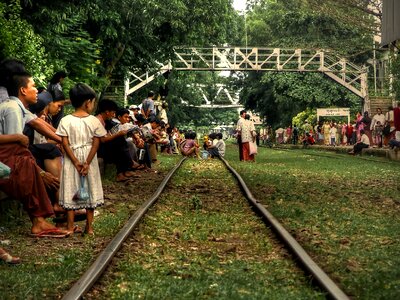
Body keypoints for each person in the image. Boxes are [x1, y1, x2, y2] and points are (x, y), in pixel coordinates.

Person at [0, 67, 67, 237]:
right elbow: (14, 147)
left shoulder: (18, 107)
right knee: (27, 166)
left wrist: (63, 140)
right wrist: (41, 172)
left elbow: (39, 124)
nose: (37, 90)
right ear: (23, 90)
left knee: (29, 163)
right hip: (6, 155)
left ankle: (40, 220)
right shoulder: (12, 108)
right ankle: (39, 220)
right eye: (33, 86)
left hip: (11, 154)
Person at [56, 83, 107, 235]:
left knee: (71, 188)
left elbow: (64, 143)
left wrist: (76, 161)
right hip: (89, 159)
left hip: (72, 160)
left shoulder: (65, 120)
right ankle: (89, 228)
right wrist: (87, 162)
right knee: (90, 189)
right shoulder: (94, 121)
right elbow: (96, 143)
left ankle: (70, 226)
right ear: (88, 102)